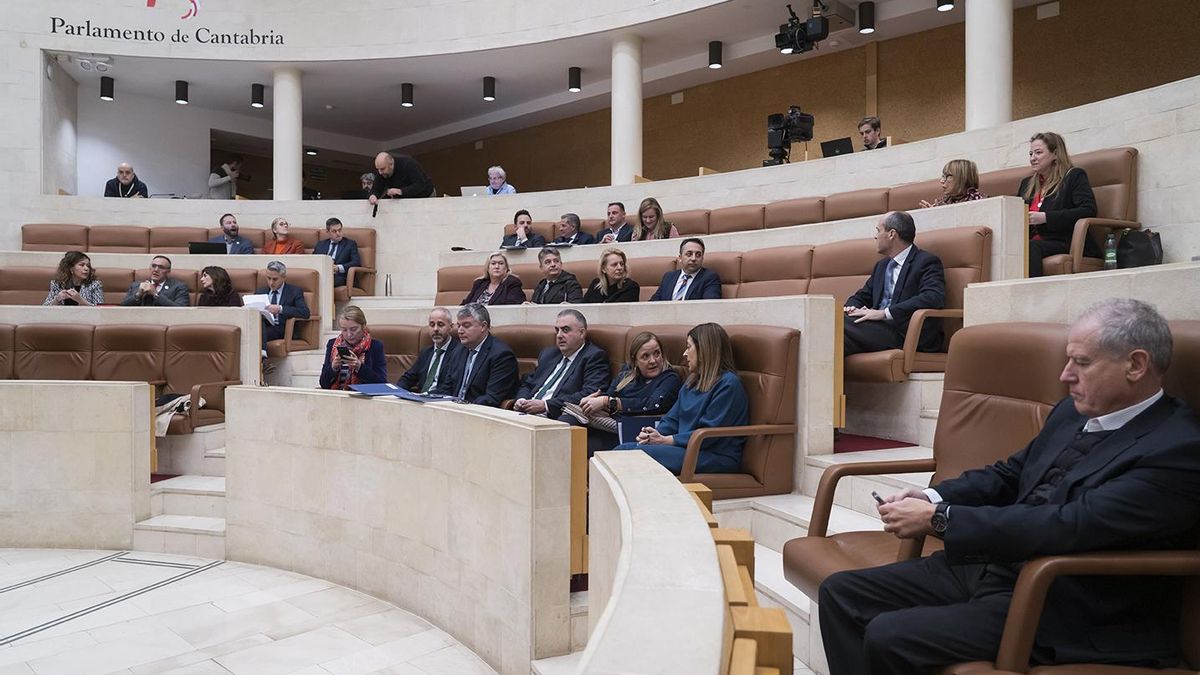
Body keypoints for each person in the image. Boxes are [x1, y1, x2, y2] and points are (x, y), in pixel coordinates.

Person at [818, 298, 1200, 675]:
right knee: (841, 593)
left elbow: (1071, 525)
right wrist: (933, 496)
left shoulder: (1177, 450)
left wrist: (942, 520)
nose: (1065, 376)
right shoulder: (1073, 411)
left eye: (1081, 363)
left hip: (1064, 600)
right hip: (995, 566)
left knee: (889, 634)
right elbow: (1011, 473)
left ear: (1136, 365)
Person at [612, 323, 749, 474]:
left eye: (688, 347)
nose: (684, 353)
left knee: (625, 453)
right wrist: (653, 435)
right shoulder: (692, 382)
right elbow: (672, 419)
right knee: (624, 451)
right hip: (684, 449)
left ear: (704, 350)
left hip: (714, 456)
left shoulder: (728, 384)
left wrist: (666, 440)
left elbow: (708, 434)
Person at [843, 211, 946, 355]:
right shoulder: (882, 266)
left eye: (878, 231)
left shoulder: (926, 262)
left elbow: (933, 297)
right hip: (878, 329)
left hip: (905, 332)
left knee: (836, 327)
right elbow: (863, 295)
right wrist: (850, 308)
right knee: (837, 337)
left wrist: (884, 313)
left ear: (892, 234)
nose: (875, 236)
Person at [563, 331, 682, 452]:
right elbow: (608, 396)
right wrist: (590, 401)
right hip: (608, 423)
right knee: (566, 423)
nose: (653, 361)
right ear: (635, 360)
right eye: (645, 356)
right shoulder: (627, 375)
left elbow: (653, 404)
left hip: (633, 432)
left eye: (657, 354)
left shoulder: (670, 378)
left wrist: (610, 402)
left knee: (577, 447)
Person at [1019, 132, 1099, 277]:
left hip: (1063, 240)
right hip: (1032, 241)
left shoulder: (1074, 176)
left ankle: (1032, 295)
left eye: (1038, 153)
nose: (1032, 158)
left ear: (1055, 154)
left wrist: (1046, 217)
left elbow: (1088, 210)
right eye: (1030, 154)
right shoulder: (1026, 184)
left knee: (1029, 248)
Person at [513, 309, 611, 420]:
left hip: (555, 417)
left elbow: (589, 393)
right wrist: (521, 399)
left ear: (582, 333)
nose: (559, 335)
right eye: (557, 330)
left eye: (565, 330)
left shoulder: (594, 356)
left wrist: (546, 405)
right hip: (525, 414)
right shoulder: (549, 354)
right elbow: (528, 382)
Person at [432, 303, 519, 407]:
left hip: (480, 414)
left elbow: (492, 398)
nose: (460, 331)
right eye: (459, 325)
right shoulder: (458, 350)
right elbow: (447, 388)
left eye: (466, 326)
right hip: (453, 410)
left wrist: (462, 407)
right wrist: (425, 398)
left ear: (483, 326)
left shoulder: (501, 355)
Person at [319, 306, 387, 390]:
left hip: (363, 398)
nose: (349, 334)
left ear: (363, 326)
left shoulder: (375, 346)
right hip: (337, 396)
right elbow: (323, 384)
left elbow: (382, 383)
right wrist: (333, 367)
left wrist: (359, 367)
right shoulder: (333, 344)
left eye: (353, 329)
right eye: (344, 330)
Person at [396, 307, 461, 393]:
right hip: (421, 400)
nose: (436, 329)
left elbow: (450, 387)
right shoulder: (426, 352)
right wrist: (397, 391)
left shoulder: (459, 352)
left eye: (440, 324)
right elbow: (408, 378)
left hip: (441, 401)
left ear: (451, 327)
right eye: (432, 324)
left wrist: (427, 396)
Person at [256, 260, 311, 349]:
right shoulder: (260, 291)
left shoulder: (294, 291)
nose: (271, 283)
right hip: (263, 325)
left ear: (284, 277)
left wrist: (280, 309)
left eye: (275, 279)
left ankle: (262, 357)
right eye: (268, 278)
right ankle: (262, 356)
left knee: (257, 333)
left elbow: (305, 312)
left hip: (281, 328)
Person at [648, 238, 722, 301]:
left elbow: (710, 307)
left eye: (698, 255)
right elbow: (653, 303)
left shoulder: (710, 278)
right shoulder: (668, 277)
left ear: (702, 259)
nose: (693, 258)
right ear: (680, 258)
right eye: (689, 254)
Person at [120, 255, 189, 307]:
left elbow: (181, 309)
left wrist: (156, 294)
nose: (156, 270)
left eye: (161, 267)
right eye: (153, 266)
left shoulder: (179, 287)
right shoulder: (136, 285)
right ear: (150, 268)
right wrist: (138, 295)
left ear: (168, 271)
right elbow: (122, 307)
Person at [461, 252, 526, 306]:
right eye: (493, 263)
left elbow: (512, 307)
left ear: (506, 268)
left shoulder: (512, 283)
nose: (497, 267)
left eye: (501, 263)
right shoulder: (479, 283)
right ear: (488, 268)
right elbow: (465, 304)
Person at [312, 217, 361, 288]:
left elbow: (356, 262)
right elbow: (314, 261)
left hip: (340, 277)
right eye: (334, 231)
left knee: (324, 281)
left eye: (339, 230)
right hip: (322, 274)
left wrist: (338, 268)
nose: (338, 234)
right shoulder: (320, 245)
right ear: (328, 232)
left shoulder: (350, 244)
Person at [368, 151, 434, 202]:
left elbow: (420, 185)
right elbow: (376, 189)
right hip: (407, 199)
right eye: (378, 169)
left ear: (391, 164)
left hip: (426, 194)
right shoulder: (382, 172)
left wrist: (400, 191)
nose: (380, 172)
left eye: (382, 169)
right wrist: (373, 196)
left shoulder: (408, 164)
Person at [918, 159, 988, 208]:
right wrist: (933, 214)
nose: (942, 181)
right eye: (943, 176)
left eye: (948, 176)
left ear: (962, 179)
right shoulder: (941, 203)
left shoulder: (980, 202)